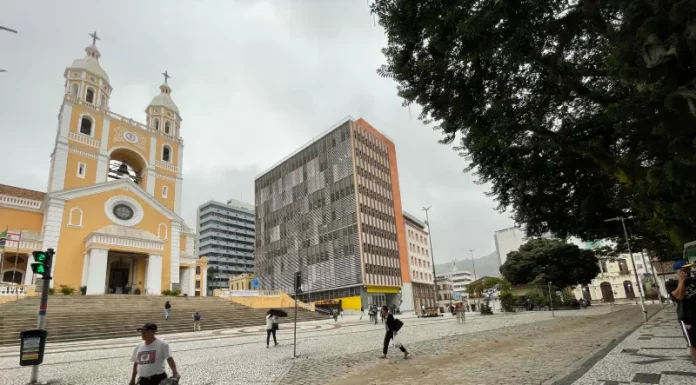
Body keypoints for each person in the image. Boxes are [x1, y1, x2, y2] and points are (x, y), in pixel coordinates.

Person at [665, 260, 696, 366]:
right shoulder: (671, 284)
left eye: (689, 268)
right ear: (678, 271)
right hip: (687, 317)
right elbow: (679, 296)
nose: (688, 271)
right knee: (694, 343)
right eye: (685, 269)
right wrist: (681, 281)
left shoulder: (693, 280)